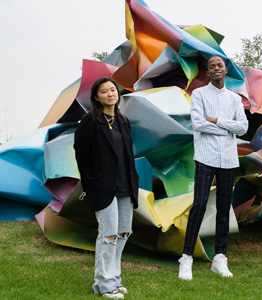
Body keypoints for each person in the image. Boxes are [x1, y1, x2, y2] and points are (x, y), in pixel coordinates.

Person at [178, 55, 248, 280]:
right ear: (207, 72)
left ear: (225, 69)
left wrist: (217, 122)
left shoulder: (235, 99)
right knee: (198, 204)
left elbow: (244, 128)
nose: (216, 69)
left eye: (220, 65)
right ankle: (186, 257)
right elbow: (198, 124)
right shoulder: (198, 94)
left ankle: (220, 258)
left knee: (223, 207)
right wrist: (229, 128)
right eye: (212, 67)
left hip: (228, 160)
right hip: (205, 157)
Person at [74, 77, 139, 299]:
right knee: (108, 234)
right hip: (103, 186)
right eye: (104, 91)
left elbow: (128, 155)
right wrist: (89, 182)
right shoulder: (90, 121)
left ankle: (114, 278)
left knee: (122, 233)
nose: (110, 94)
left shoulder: (123, 121)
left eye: (113, 90)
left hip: (126, 185)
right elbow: (81, 154)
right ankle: (103, 284)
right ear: (96, 97)